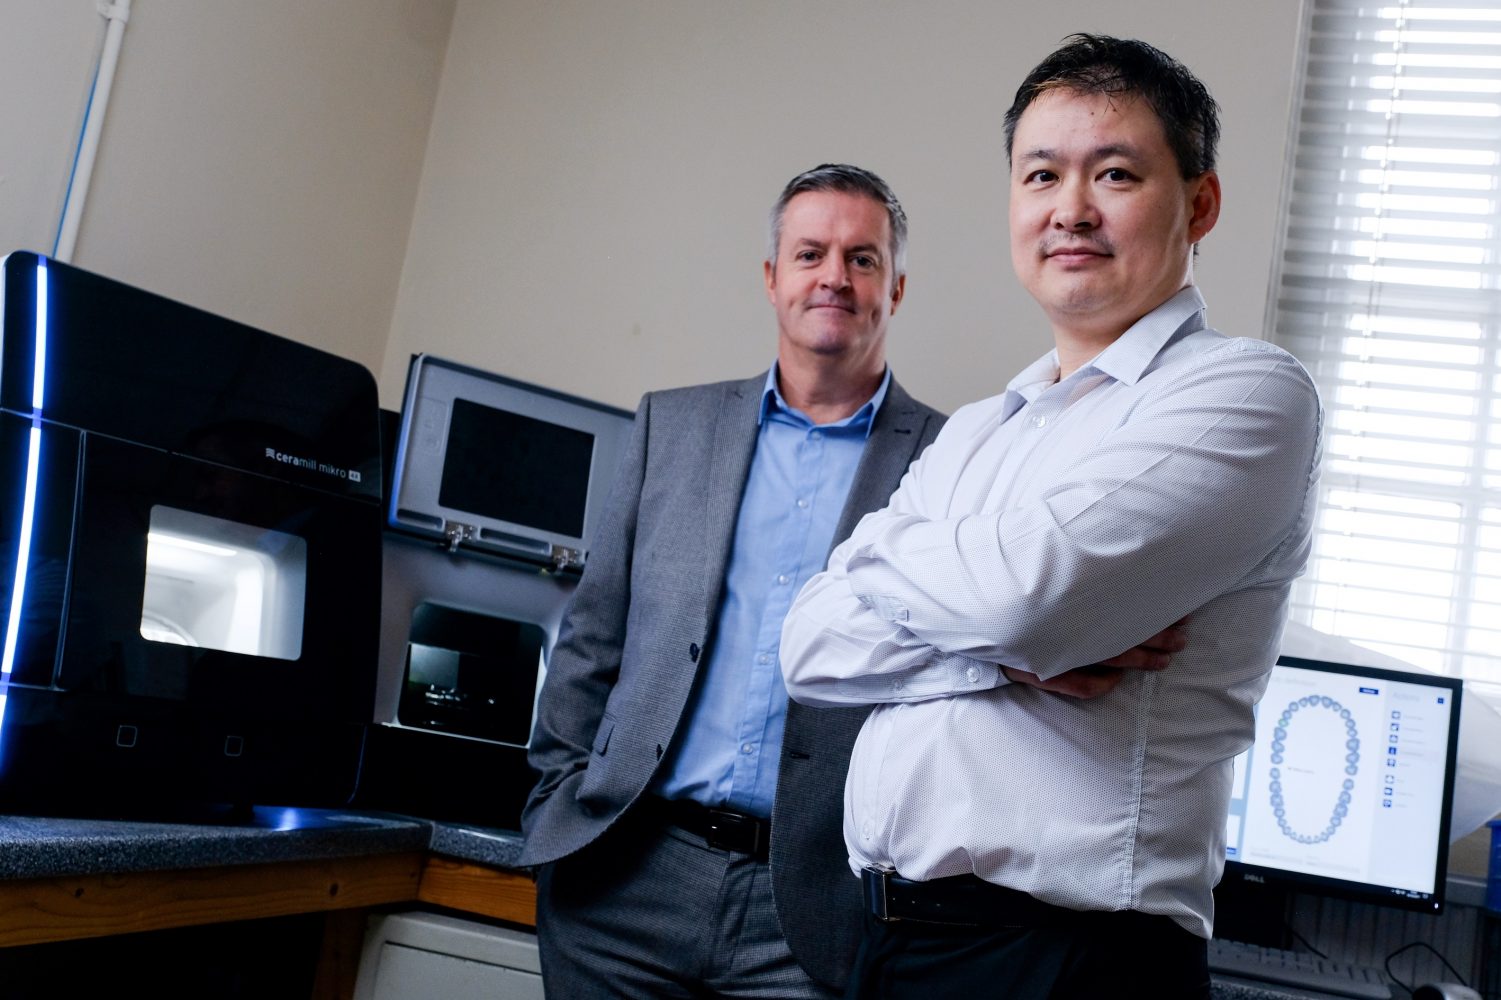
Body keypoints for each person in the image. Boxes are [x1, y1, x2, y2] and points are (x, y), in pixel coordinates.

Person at [519, 163, 1184, 999]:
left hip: (816, 909)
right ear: (772, 278)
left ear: (895, 289)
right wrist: (558, 801)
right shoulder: (672, 426)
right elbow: (591, 638)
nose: (833, 276)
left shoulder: (962, 457)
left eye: (861, 259)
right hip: (622, 881)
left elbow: (983, 642)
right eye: (809, 254)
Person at [780, 35, 1323, 1000]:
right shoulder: (983, 426)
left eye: (1114, 172)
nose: (1069, 208)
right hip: (884, 938)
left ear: (1199, 203)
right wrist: (994, 650)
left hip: (1066, 958)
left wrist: (886, 561)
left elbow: (1031, 594)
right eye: (1041, 174)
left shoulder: (1245, 394)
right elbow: (812, 649)